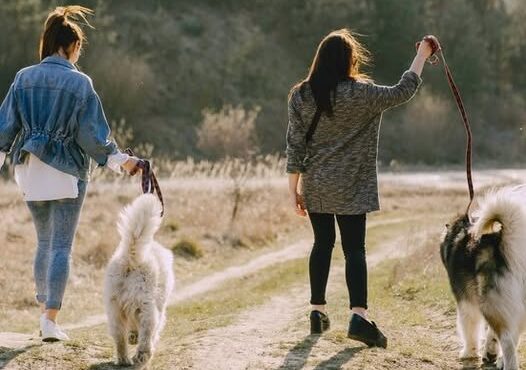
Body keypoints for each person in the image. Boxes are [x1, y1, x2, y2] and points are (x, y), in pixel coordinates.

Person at [286, 29, 434, 347]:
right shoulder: (362, 94)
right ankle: (359, 316)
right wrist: (422, 55)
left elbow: (294, 146)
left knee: (322, 244)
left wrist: (293, 190)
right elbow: (403, 90)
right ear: (349, 61)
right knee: (355, 250)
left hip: (317, 185)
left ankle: (317, 311)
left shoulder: (301, 95)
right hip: (352, 185)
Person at [0, 5, 139, 342]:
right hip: (66, 171)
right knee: (61, 246)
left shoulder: (23, 77)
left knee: (44, 243)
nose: (79, 54)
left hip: (30, 169)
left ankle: (43, 310)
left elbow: (5, 128)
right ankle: (50, 319)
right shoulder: (79, 83)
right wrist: (121, 161)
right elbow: (92, 136)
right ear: (71, 46)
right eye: (79, 48)